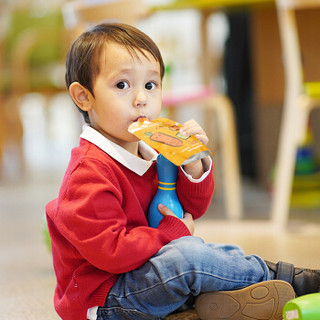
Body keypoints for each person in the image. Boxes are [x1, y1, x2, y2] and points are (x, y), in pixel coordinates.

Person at [46, 23, 320, 320]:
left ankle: (225, 300)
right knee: (189, 258)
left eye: (150, 85)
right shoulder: (88, 172)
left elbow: (191, 208)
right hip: (106, 301)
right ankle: (292, 281)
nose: (141, 99)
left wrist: (194, 164)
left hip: (142, 273)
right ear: (84, 97)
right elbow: (113, 252)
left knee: (217, 251)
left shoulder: (150, 150)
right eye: (122, 85)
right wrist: (172, 233)